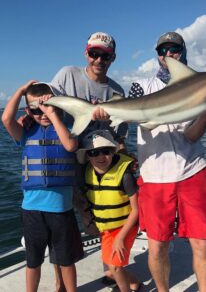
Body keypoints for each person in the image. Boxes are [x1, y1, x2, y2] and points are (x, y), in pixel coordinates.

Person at [128, 31, 206, 292]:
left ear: (183, 52)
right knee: (157, 245)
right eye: (162, 50)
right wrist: (106, 112)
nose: (168, 55)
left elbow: (192, 136)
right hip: (155, 175)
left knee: (202, 242)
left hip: (193, 170)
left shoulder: (201, 86)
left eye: (174, 50)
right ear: (157, 54)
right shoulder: (142, 86)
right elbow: (131, 116)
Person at [50, 31, 129, 288]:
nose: (99, 60)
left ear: (113, 58)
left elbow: (120, 138)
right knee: (61, 218)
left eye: (105, 56)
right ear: (86, 53)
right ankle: (60, 281)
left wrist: (111, 127)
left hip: (101, 159)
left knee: (106, 215)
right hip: (68, 156)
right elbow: (47, 102)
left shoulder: (117, 91)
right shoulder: (67, 75)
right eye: (94, 54)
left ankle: (112, 269)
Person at [1, 81, 84, 292]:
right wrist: (20, 91)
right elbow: (6, 119)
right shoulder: (26, 133)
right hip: (32, 210)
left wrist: (53, 112)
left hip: (61, 209)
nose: (43, 113)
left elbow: (70, 146)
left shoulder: (66, 129)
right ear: (28, 110)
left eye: (49, 107)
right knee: (33, 261)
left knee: (66, 261)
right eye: (37, 110)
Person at [76, 129, 141, 292]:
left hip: (125, 226)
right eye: (93, 152)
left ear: (113, 151)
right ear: (87, 156)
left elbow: (136, 209)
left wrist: (121, 236)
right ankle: (134, 283)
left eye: (106, 151)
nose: (100, 157)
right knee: (113, 268)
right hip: (105, 228)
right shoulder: (86, 173)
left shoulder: (125, 176)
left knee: (114, 267)